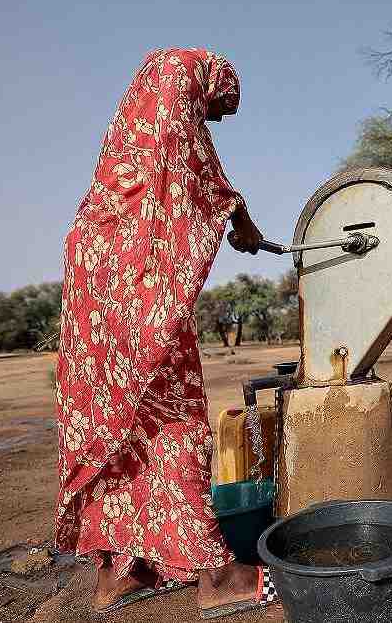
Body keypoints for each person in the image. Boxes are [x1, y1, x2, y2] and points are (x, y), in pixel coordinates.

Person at [55, 48, 269, 618]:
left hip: (97, 272)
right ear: (211, 81)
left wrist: (227, 212)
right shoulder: (177, 77)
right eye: (218, 110)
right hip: (129, 277)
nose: (214, 121)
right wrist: (236, 212)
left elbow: (175, 165)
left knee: (119, 420)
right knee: (172, 413)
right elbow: (189, 156)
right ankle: (216, 572)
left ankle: (118, 572)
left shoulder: (131, 122)